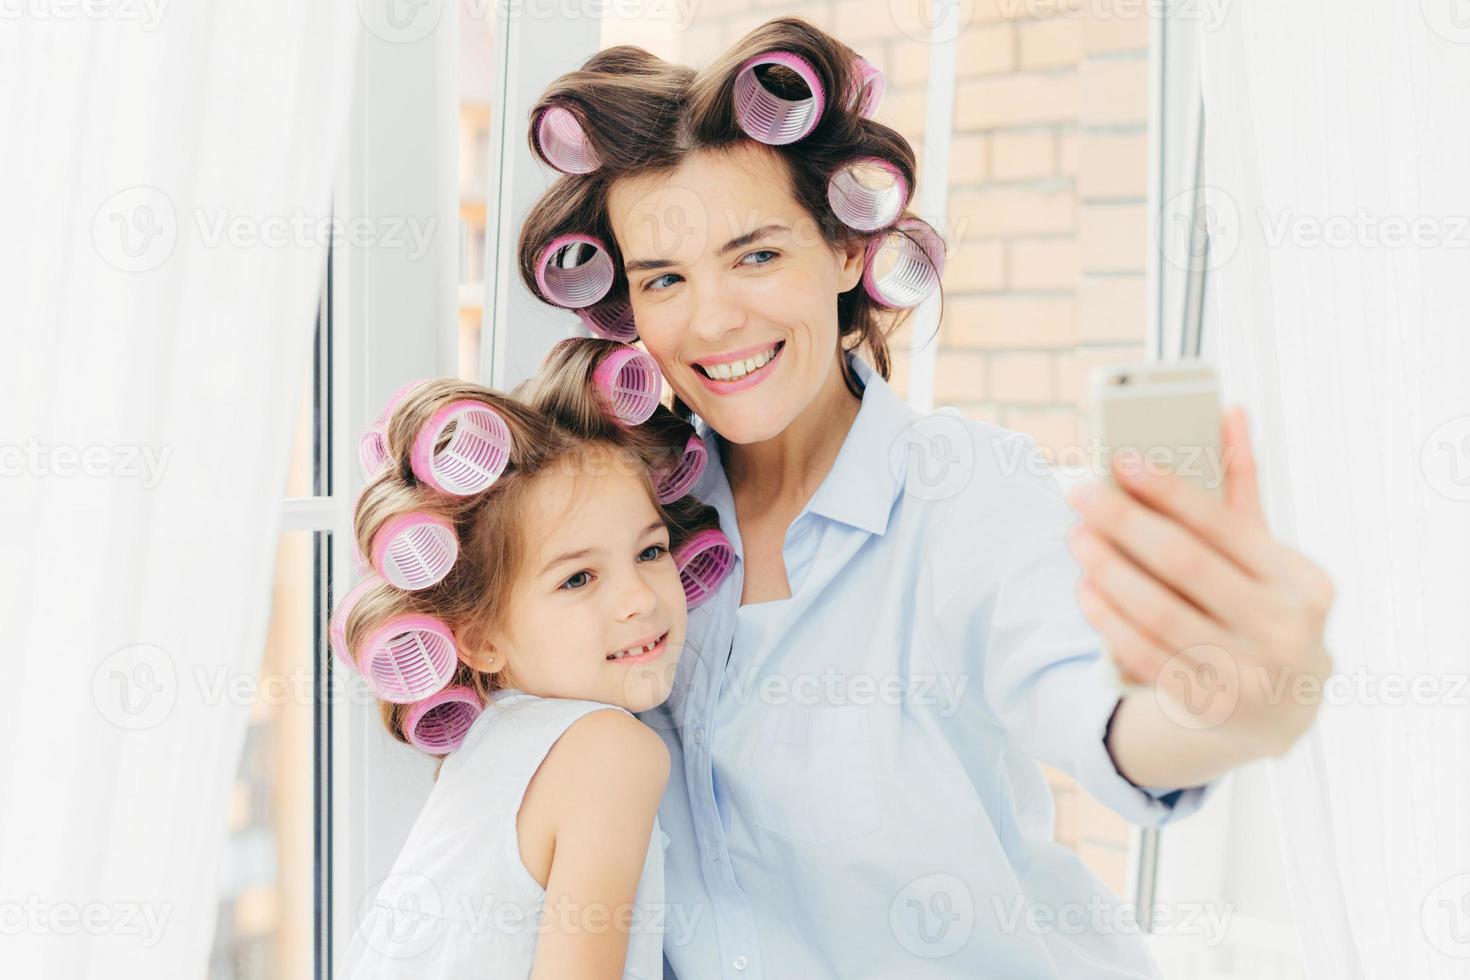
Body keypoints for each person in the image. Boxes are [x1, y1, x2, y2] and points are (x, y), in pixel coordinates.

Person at [515, 16, 1337, 979]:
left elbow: (1103, 713)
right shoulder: (630, 523)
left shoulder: (964, 496)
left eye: (757, 255)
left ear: (848, 253)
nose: (711, 319)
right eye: (665, 278)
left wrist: (1230, 702)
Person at [333, 339, 731, 978]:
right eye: (577, 579)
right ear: (481, 637)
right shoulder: (611, 752)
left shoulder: (495, 741)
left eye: (651, 552)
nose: (638, 598)